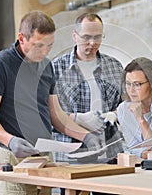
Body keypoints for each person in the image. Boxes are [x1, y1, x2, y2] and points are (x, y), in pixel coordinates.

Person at [0, 11, 103, 195]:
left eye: (49, 45)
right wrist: (10, 140)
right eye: (38, 46)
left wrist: (85, 136)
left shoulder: (47, 66)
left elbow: (56, 114)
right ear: (21, 38)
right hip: (13, 156)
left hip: (44, 156)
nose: (45, 52)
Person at [51, 13, 124, 163]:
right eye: (86, 37)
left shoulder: (115, 67)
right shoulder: (56, 68)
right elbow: (46, 113)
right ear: (75, 36)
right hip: (70, 155)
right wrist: (78, 118)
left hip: (110, 153)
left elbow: (127, 104)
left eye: (97, 37)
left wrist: (114, 115)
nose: (92, 43)